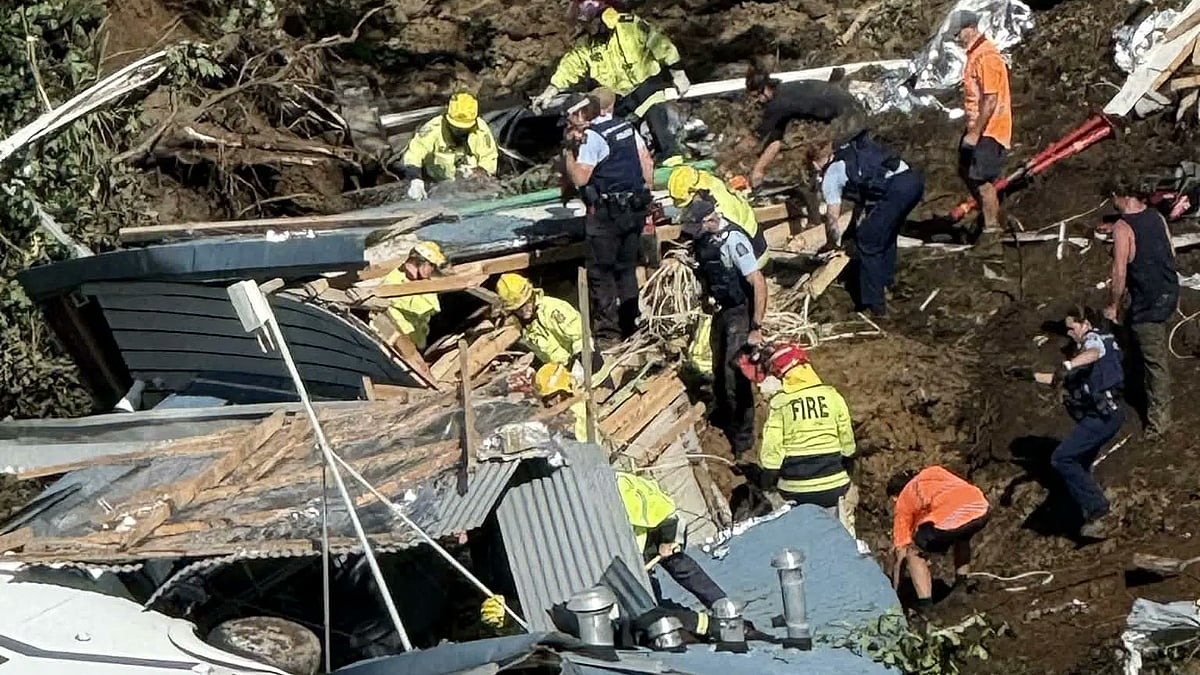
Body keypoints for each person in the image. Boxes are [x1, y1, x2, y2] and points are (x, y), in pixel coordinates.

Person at [533, 0, 689, 165]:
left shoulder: (630, 26)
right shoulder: (586, 44)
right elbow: (570, 66)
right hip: (617, 98)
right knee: (613, 130)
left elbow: (661, 45)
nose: (587, 29)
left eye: (590, 24)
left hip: (646, 87)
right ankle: (627, 165)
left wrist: (677, 71)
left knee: (654, 112)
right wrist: (551, 90)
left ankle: (671, 154)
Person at [561, 94, 655, 343]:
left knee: (601, 274)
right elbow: (647, 163)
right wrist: (645, 193)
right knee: (626, 270)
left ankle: (607, 334)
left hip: (607, 215)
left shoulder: (594, 137)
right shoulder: (625, 126)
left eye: (570, 117)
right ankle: (632, 325)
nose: (569, 123)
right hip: (634, 209)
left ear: (581, 114)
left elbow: (580, 179)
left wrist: (569, 152)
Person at [682, 195, 768, 457]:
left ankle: (743, 439)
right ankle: (724, 417)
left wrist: (756, 326)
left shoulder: (735, 241)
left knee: (735, 374)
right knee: (718, 368)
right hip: (720, 309)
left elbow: (758, 282)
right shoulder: (704, 241)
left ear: (711, 219)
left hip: (740, 311)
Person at [808, 128, 925, 316]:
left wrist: (832, 242)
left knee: (868, 241)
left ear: (814, 163)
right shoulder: (850, 153)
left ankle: (875, 306)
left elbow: (832, 217)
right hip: (913, 180)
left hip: (896, 190)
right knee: (885, 233)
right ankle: (887, 283)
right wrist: (851, 230)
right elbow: (862, 200)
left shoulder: (830, 176)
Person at [1033, 309, 1125, 538]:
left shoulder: (1094, 340)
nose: (1069, 332)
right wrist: (1028, 376)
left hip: (1104, 416)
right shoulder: (1084, 351)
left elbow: (1094, 352)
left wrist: (1069, 365)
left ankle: (1100, 511)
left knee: (1062, 458)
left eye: (1072, 327)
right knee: (1080, 463)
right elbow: (1057, 378)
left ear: (1085, 324)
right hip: (1102, 415)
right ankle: (1092, 515)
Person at [755, 343, 858, 535]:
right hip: (834, 488)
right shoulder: (832, 396)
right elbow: (848, 445)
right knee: (846, 515)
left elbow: (772, 455)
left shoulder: (780, 404)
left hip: (795, 491)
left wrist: (767, 484)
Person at [1103, 186, 1179, 437]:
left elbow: (1119, 273)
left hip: (1149, 303)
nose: (1111, 201)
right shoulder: (1156, 217)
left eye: (1112, 196)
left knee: (1155, 362)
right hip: (1169, 291)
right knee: (1137, 339)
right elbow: (1171, 250)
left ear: (1120, 195)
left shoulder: (1123, 229)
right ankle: (1133, 368)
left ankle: (1159, 423)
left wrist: (1113, 306)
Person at [615, 471, 728, 609]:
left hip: (662, 531)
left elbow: (668, 514)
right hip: (634, 554)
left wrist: (668, 540)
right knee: (649, 603)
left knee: (679, 565)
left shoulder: (622, 486)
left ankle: (722, 606)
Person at [742, 66, 865, 188]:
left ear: (766, 89)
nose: (756, 101)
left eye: (757, 96)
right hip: (843, 101)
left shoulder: (777, 104)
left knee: (819, 158)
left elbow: (764, 140)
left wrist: (757, 168)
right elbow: (777, 132)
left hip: (849, 115)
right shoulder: (784, 90)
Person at [888, 466, 990, 608]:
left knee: (913, 552)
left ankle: (926, 606)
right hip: (981, 507)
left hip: (955, 513)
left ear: (895, 496)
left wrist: (895, 593)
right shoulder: (934, 471)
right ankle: (961, 584)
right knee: (961, 535)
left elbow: (901, 551)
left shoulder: (903, 500)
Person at [949, 10, 1012, 234]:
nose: (957, 39)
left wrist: (976, 132)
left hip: (990, 129)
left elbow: (991, 98)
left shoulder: (986, 57)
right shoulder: (975, 55)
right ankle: (986, 219)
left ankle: (992, 229)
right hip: (979, 126)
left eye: (959, 34)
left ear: (971, 28)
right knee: (965, 170)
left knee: (983, 181)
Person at [402, 93, 499, 200]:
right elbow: (414, 153)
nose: (460, 131)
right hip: (436, 183)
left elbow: (489, 157)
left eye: (465, 128)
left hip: (470, 186)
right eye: (456, 127)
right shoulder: (433, 128)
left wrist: (479, 171)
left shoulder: (481, 130)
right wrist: (415, 179)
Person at [667, 165, 768, 267]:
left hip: (752, 254)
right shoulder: (712, 183)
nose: (689, 207)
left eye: (689, 204)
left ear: (697, 192)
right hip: (756, 238)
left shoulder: (718, 213)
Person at [497, 273, 583, 365]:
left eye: (526, 304)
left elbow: (581, 339)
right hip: (561, 370)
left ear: (531, 296)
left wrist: (577, 363)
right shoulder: (526, 328)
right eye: (518, 309)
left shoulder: (553, 310)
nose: (524, 311)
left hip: (586, 367)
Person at [383, 241, 448, 350]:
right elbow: (428, 308)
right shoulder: (393, 282)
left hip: (416, 343)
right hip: (401, 345)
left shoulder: (421, 281)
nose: (432, 270)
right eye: (432, 265)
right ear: (424, 263)